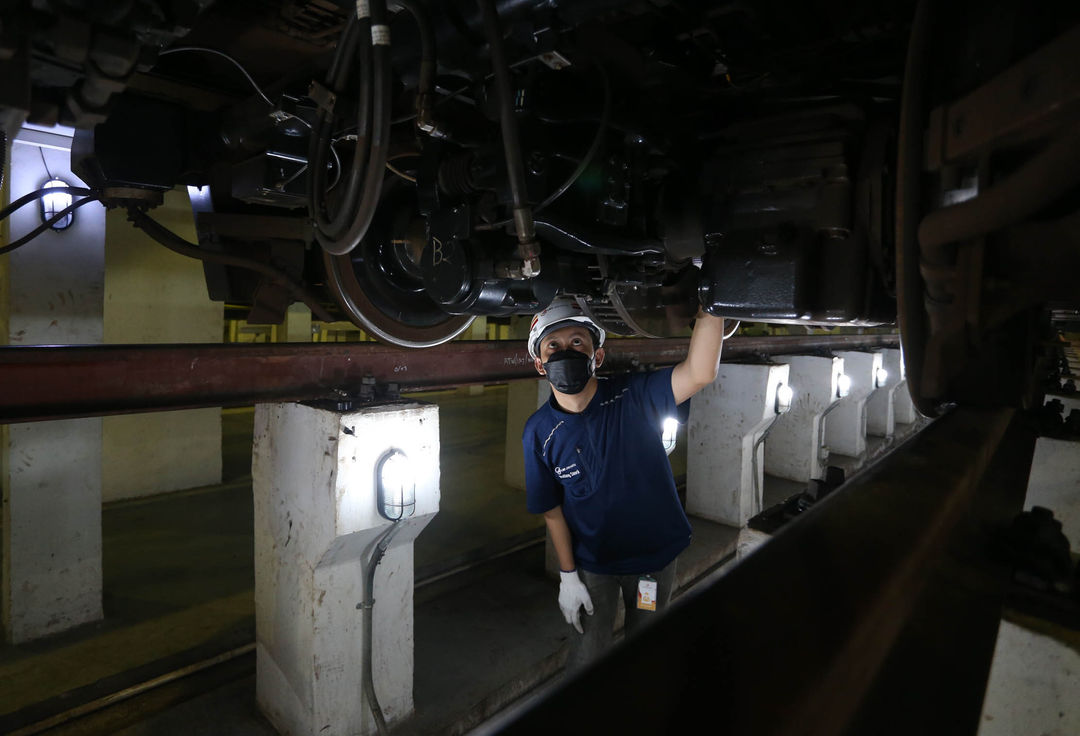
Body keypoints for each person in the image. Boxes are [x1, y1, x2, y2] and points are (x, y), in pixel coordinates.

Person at [522, 296, 726, 670]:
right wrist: (568, 577)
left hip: (653, 563)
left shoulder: (635, 396)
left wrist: (712, 303)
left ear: (596, 356)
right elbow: (551, 511)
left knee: (646, 651)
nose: (565, 351)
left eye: (577, 342)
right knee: (586, 658)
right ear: (540, 363)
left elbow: (699, 373)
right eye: (554, 345)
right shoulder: (539, 433)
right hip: (594, 565)